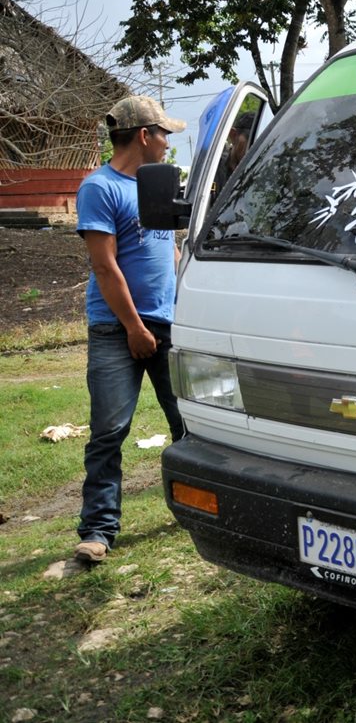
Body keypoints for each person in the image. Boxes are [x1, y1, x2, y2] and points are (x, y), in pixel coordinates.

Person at [73, 95, 187, 564]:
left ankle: (196, 505)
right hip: (118, 330)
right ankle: (98, 531)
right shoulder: (100, 188)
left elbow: (169, 251)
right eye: (165, 134)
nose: (168, 143)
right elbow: (105, 267)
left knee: (189, 422)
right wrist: (136, 329)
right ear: (144, 135)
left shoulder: (156, 186)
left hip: (167, 322)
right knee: (109, 431)